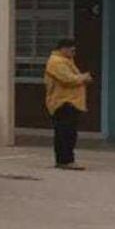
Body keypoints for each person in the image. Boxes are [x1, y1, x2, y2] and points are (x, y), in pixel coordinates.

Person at [44, 38, 94, 170]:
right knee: (64, 133)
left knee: (69, 133)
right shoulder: (56, 62)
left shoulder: (67, 61)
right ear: (63, 49)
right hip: (62, 102)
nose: (74, 52)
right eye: (72, 50)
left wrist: (82, 78)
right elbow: (67, 79)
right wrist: (84, 77)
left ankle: (66, 159)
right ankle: (65, 160)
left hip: (72, 102)